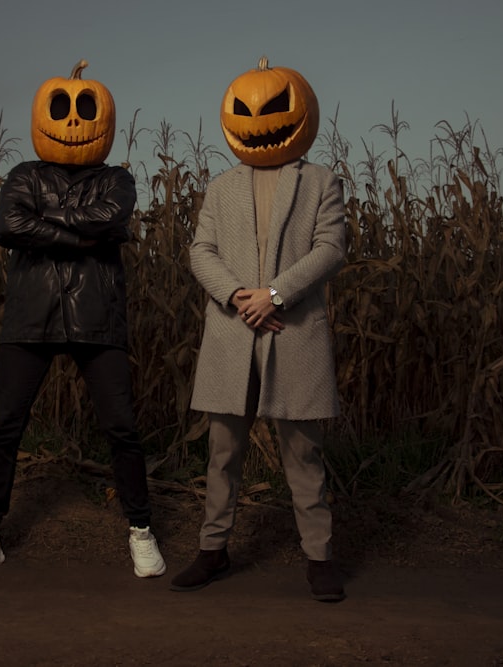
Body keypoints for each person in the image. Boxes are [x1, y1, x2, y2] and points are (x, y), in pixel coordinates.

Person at [0, 60, 165, 582]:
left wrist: (50, 226)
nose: (71, 121)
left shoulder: (117, 179)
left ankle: (141, 531)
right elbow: (9, 224)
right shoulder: (24, 174)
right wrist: (83, 239)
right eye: (60, 109)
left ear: (101, 120)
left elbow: (106, 219)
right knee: (6, 429)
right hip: (31, 315)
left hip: (96, 314)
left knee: (121, 429)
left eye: (83, 109)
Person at [170, 57, 347, 601]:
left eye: (272, 108)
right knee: (222, 453)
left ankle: (318, 558)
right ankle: (213, 549)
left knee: (303, 454)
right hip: (231, 334)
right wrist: (238, 297)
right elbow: (200, 251)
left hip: (292, 332)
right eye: (247, 110)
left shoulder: (321, 181)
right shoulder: (221, 187)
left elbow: (331, 249)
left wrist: (273, 295)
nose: (259, 120)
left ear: (297, 112)